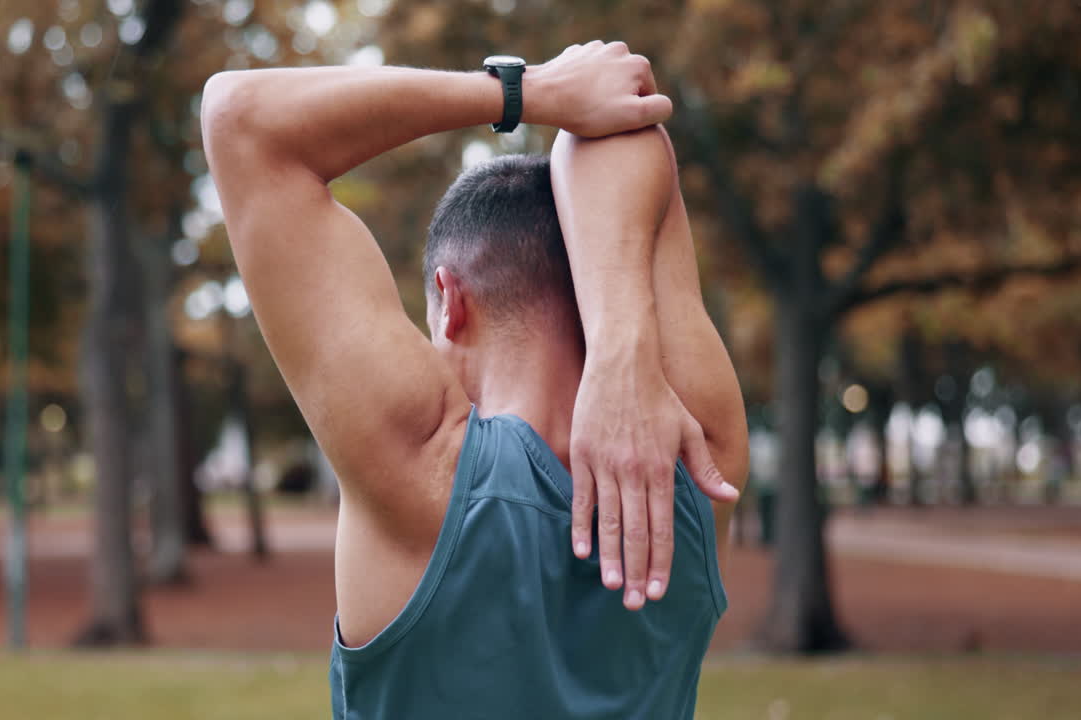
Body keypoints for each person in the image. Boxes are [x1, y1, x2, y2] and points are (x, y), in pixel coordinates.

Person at [202, 41, 748, 720]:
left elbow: (239, 119)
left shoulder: (421, 462)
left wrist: (526, 93)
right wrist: (618, 350)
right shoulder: (702, 463)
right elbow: (631, 123)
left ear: (450, 301)